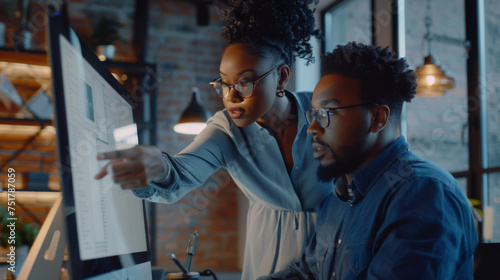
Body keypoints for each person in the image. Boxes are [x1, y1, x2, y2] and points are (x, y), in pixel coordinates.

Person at [94, 1, 333, 279]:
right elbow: (181, 172)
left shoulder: (323, 114)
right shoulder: (226, 129)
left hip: (333, 257)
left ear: (281, 77)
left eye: (245, 82)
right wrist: (158, 166)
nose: (231, 96)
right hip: (268, 260)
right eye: (223, 83)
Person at [260, 42, 478, 279]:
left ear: (378, 118)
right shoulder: (339, 198)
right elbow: (306, 273)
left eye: (326, 113)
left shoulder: (423, 193)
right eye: (313, 114)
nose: (312, 128)